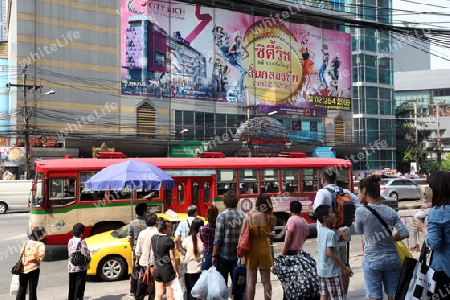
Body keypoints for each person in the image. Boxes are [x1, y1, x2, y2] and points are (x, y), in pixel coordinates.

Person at [354, 175, 409, 300]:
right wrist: (394, 238)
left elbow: (359, 230)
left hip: (372, 260)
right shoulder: (390, 210)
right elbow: (405, 233)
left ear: (364, 191)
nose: (358, 196)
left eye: (358, 192)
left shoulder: (361, 211)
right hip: (392, 260)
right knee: (394, 294)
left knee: (375, 296)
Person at [313, 167, 360, 296]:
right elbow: (360, 207)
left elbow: (317, 212)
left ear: (323, 180)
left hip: (326, 239)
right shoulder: (345, 192)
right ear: (336, 179)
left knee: (326, 270)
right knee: (343, 266)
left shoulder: (322, 193)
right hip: (343, 236)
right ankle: (342, 295)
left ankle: (327, 295)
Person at [414, 171, 450, 290]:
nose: (430, 191)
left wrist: (423, 227)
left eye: (431, 188)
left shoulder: (436, 212)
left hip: (443, 268)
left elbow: (435, 243)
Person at [242, 193, 276, 300]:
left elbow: (243, 232)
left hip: (251, 249)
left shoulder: (249, 216)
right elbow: (269, 232)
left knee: (251, 281)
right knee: (266, 281)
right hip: (264, 249)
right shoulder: (272, 218)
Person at [212, 189, 244, 300]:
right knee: (239, 286)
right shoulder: (243, 216)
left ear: (225, 203)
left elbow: (218, 239)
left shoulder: (221, 217)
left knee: (222, 285)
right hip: (239, 257)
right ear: (236, 202)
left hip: (223, 257)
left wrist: (214, 255)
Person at [315, 205, 353, 300]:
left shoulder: (321, 230)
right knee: (337, 297)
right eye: (331, 212)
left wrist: (337, 241)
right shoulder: (330, 233)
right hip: (332, 272)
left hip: (322, 270)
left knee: (324, 294)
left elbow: (325, 246)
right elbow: (330, 253)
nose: (334, 214)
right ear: (325, 217)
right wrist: (344, 268)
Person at [152, 218, 180, 300]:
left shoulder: (153, 238)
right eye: (169, 227)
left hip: (157, 268)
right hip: (167, 270)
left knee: (158, 294)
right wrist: (176, 271)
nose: (171, 229)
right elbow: (172, 258)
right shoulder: (169, 240)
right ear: (164, 229)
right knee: (170, 295)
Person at [16, 226, 46, 300]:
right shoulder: (40, 245)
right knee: (32, 289)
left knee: (22, 288)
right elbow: (41, 257)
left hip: (23, 268)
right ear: (40, 235)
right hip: (34, 269)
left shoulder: (25, 243)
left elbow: (21, 254)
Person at [134, 213, 158, 300]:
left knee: (142, 281)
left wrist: (137, 259)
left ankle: (139, 297)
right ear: (156, 222)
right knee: (153, 283)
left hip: (143, 261)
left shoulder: (142, 233)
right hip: (155, 262)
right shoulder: (157, 232)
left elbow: (138, 249)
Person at [127, 202, 148, 298]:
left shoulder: (132, 223)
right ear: (144, 211)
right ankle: (144, 290)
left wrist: (132, 248)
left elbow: (130, 238)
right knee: (145, 271)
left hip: (136, 250)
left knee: (135, 271)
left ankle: (133, 291)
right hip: (147, 250)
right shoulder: (149, 222)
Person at [182, 218, 205, 300]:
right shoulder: (204, 239)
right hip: (202, 269)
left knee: (191, 292)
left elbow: (183, 249)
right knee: (202, 293)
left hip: (190, 269)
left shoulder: (187, 240)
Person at [67, 223, 91, 300]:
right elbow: (86, 253)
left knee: (72, 285)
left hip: (71, 266)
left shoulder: (70, 241)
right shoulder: (82, 241)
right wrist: (89, 259)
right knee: (79, 285)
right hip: (81, 267)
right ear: (81, 233)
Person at [199, 204, 219, 270]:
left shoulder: (202, 229)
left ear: (207, 215)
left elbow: (202, 239)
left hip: (207, 254)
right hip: (218, 255)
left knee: (206, 276)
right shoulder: (219, 229)